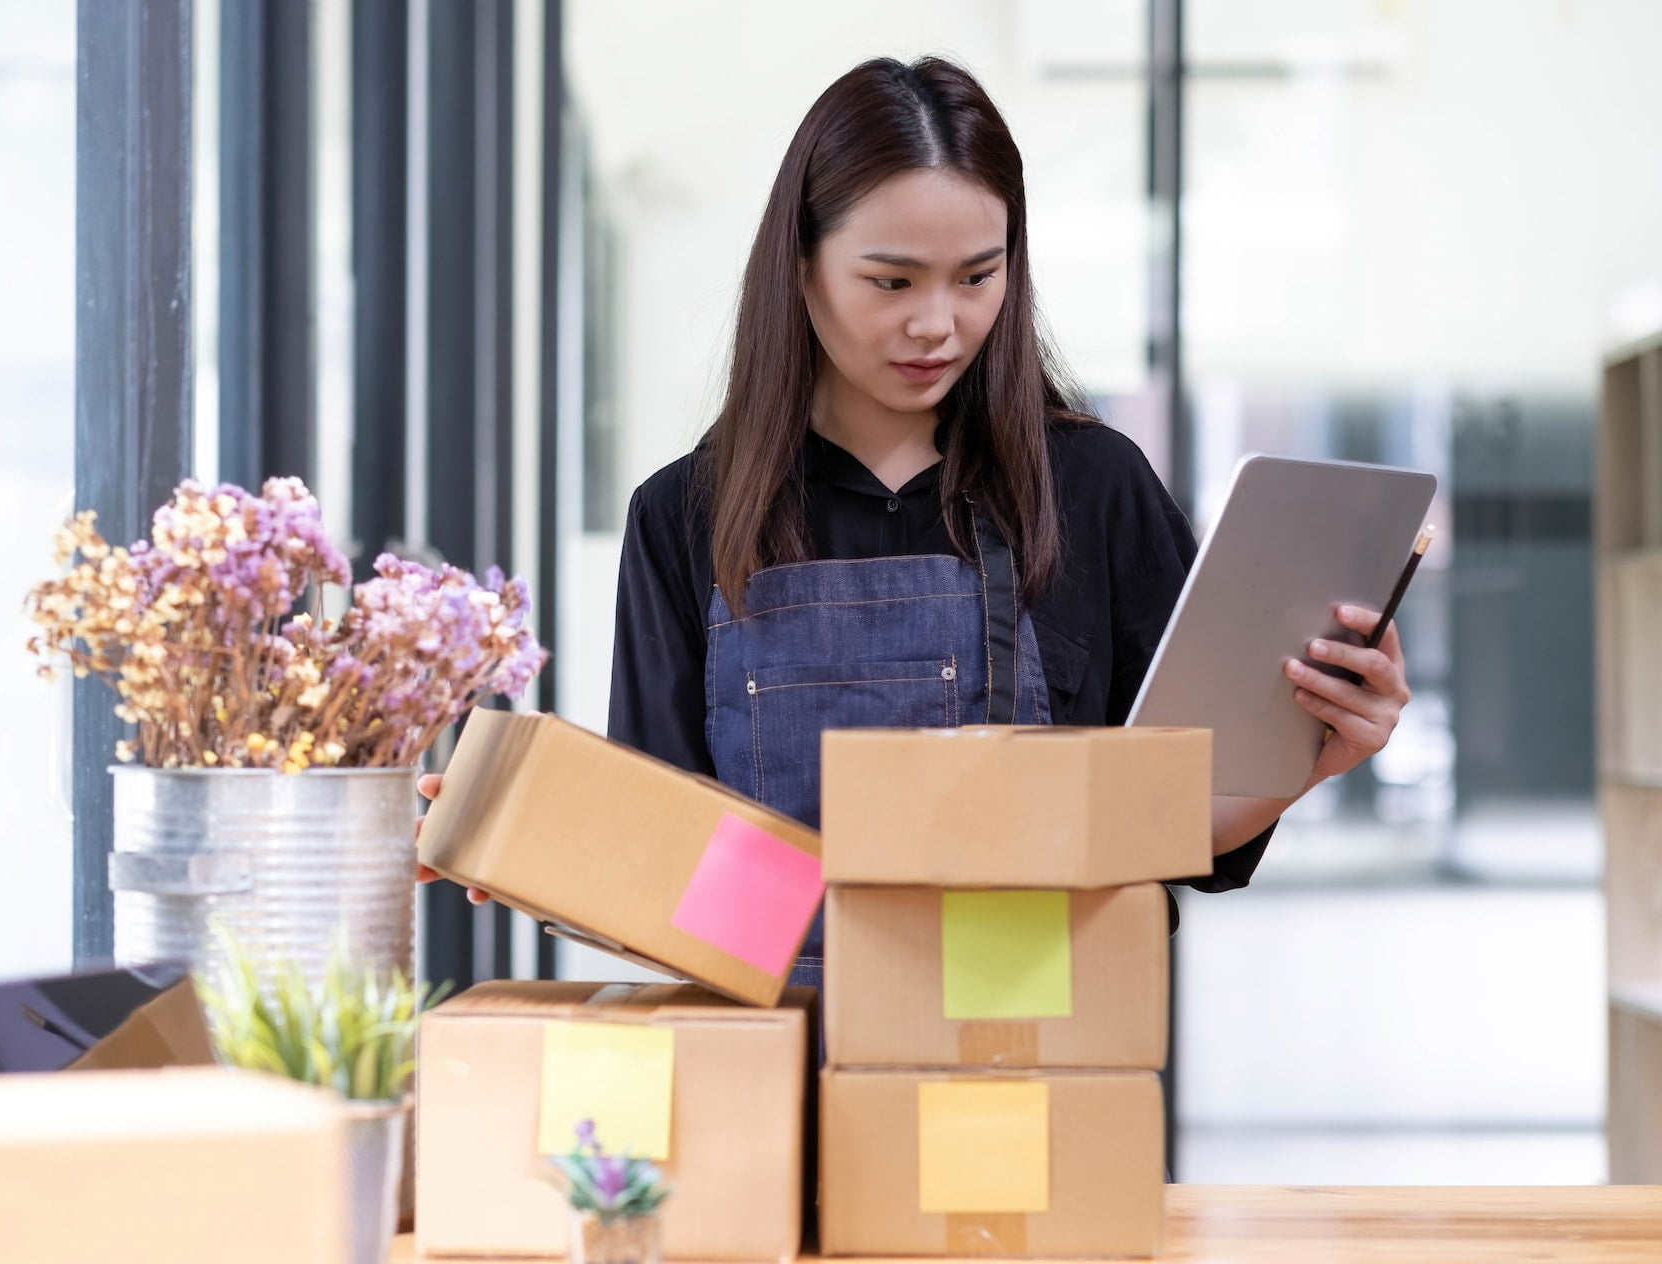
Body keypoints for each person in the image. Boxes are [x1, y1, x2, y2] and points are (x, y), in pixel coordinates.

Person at [418, 56, 1409, 991]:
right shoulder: (685, 516)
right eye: (891, 281)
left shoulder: (1093, 488)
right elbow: (669, 878)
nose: (937, 323)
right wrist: (535, 840)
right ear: (799, 266)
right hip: (775, 1093)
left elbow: (1161, 827)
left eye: (976, 277)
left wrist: (1307, 758)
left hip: (1034, 1072)